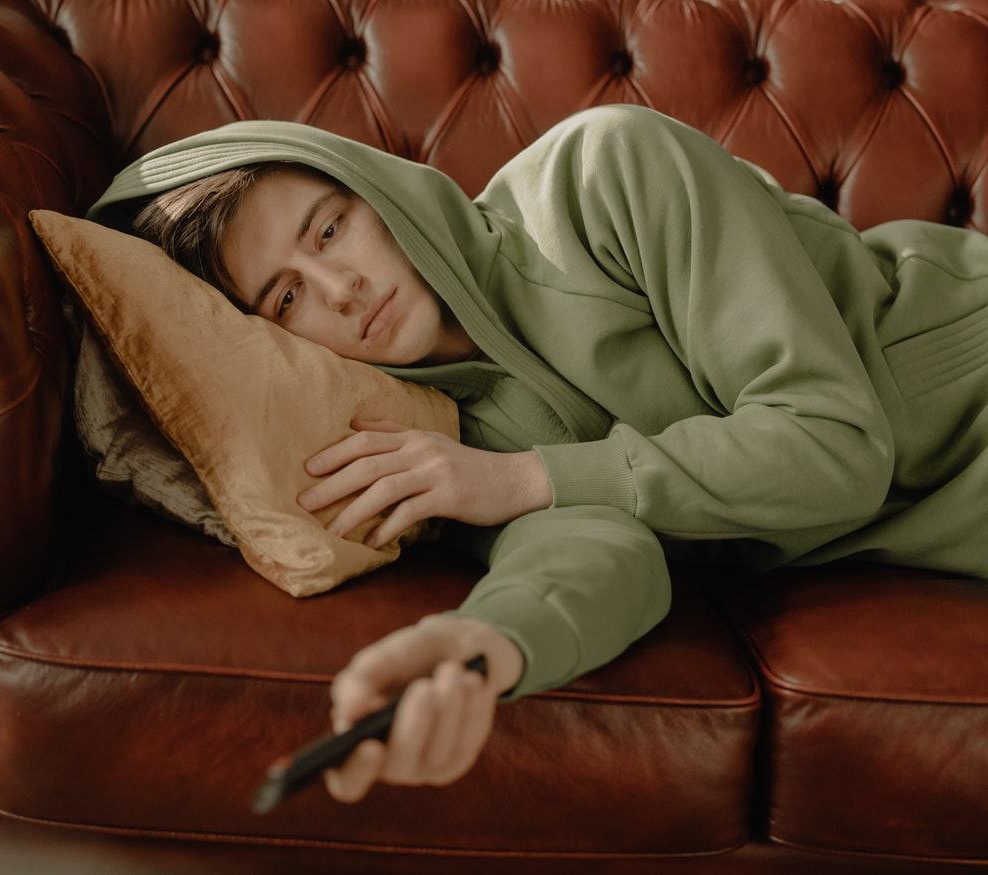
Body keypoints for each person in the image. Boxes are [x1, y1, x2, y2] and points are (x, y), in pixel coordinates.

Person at [87, 103, 988, 805]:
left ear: (372, 185)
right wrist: (483, 645)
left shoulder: (606, 171)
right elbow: (596, 550)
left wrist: (525, 480)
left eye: (329, 228)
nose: (342, 287)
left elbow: (834, 441)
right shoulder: (440, 434)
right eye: (286, 300)